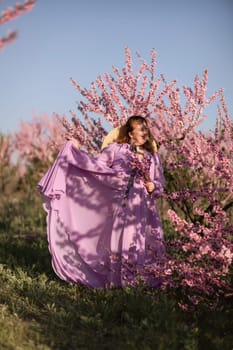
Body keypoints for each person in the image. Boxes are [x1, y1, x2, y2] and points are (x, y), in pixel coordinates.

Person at [38, 115, 165, 288]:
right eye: (140, 128)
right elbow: (95, 167)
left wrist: (153, 186)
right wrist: (76, 149)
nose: (145, 132)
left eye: (146, 128)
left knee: (140, 241)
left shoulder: (153, 157)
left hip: (143, 208)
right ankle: (117, 283)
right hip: (119, 204)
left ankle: (138, 285)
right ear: (130, 133)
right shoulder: (115, 149)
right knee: (120, 239)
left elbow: (160, 185)